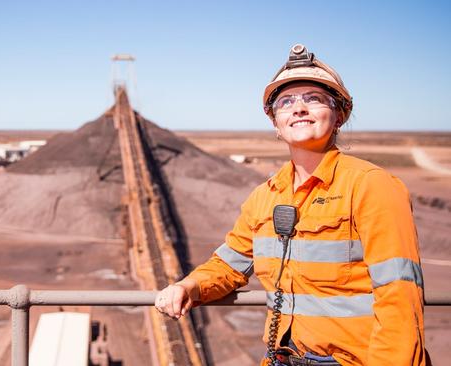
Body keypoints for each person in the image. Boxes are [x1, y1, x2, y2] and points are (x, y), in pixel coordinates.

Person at [154, 44, 427, 366]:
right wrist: (190, 285)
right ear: (275, 122)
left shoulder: (371, 185)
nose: (299, 108)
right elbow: (230, 264)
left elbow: (399, 294)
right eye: (286, 102)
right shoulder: (265, 196)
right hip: (283, 359)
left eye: (313, 98)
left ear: (339, 115)